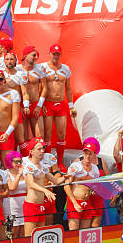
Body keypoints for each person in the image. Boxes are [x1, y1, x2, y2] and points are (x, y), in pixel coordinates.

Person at [41, 44, 77, 172]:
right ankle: (48, 163)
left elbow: (68, 89)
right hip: (48, 104)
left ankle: (60, 163)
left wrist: (71, 106)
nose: (55, 56)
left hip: (60, 104)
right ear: (50, 53)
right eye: (53, 54)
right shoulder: (43, 67)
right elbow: (41, 87)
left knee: (62, 134)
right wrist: (42, 104)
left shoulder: (66, 69)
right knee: (48, 135)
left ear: (60, 54)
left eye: (58, 54)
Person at [23, 138, 64, 237]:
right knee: (29, 236)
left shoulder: (42, 166)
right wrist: (45, 190)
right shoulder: (29, 166)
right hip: (31, 205)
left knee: (41, 235)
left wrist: (69, 176)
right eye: (39, 149)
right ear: (31, 151)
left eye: (43, 148)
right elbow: (31, 183)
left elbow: (56, 181)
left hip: (40, 205)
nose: (42, 151)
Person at [64, 140, 99, 231]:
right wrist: (74, 203)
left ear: (94, 154)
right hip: (75, 201)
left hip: (87, 202)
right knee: (73, 232)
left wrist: (94, 191)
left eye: (90, 153)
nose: (87, 156)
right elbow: (66, 185)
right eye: (85, 153)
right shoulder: (75, 166)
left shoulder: (95, 169)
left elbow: (95, 185)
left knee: (85, 233)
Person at [19, 46, 47, 154]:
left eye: (37, 55)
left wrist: (39, 105)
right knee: (24, 137)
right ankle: (26, 162)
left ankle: (41, 161)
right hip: (22, 105)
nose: (36, 57)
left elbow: (45, 88)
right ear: (26, 56)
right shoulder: (18, 69)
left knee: (40, 135)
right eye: (34, 55)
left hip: (36, 103)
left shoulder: (40, 68)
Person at [4, 150, 26, 238]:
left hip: (24, 205)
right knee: (12, 232)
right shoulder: (6, 173)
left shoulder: (25, 172)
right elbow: (12, 187)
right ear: (10, 161)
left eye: (20, 161)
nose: (18, 164)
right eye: (16, 162)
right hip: (11, 206)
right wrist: (18, 175)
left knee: (23, 232)